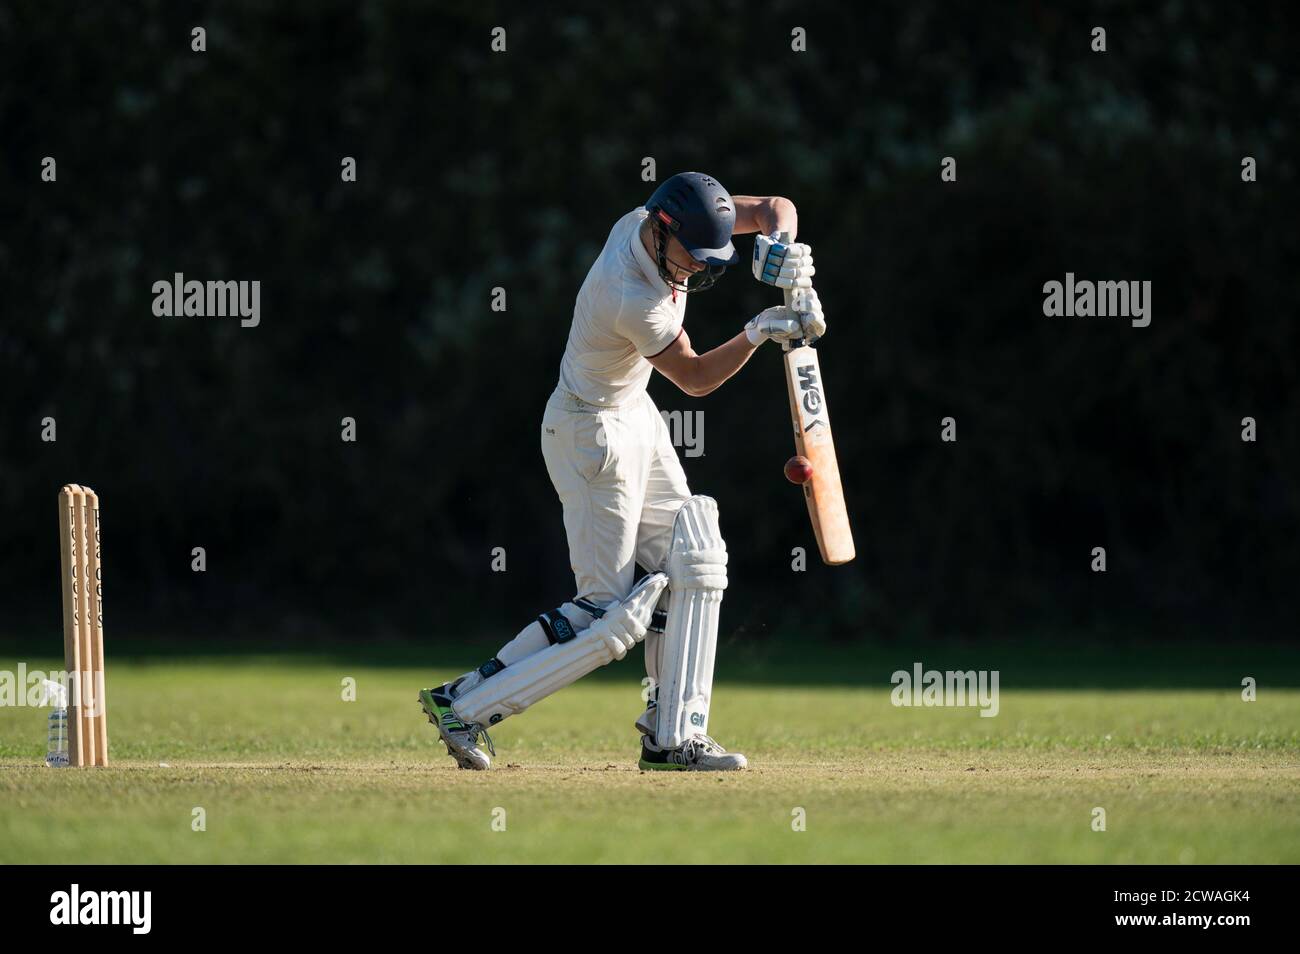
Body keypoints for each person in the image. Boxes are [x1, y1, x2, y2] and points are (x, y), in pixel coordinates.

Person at [419, 172, 825, 771]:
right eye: (692, 259)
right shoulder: (628, 291)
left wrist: (783, 247)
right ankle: (463, 704)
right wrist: (759, 331)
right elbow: (693, 378)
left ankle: (674, 738)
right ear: (663, 233)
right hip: (589, 432)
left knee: (696, 558)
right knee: (606, 614)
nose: (697, 272)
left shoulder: (665, 220)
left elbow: (772, 206)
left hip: (634, 414)